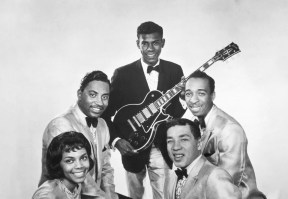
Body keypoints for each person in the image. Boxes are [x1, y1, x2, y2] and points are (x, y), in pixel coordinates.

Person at [103, 21, 186, 199]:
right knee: (134, 196)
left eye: (155, 43)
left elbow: (175, 113)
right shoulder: (122, 74)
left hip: (161, 145)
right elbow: (105, 114)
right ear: (137, 44)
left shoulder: (174, 70)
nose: (150, 48)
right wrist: (116, 140)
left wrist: (184, 101)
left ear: (162, 43)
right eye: (144, 43)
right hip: (132, 145)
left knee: (165, 195)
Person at [183, 71, 266, 199]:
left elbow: (225, 186)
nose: (193, 100)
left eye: (201, 93)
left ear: (212, 95)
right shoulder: (195, 124)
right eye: (189, 94)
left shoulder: (230, 130)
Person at [39, 71, 118, 199]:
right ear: (79, 94)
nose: (100, 102)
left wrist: (111, 195)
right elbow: (76, 171)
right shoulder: (61, 124)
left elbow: (106, 168)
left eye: (105, 97)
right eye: (93, 95)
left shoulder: (102, 124)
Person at [164, 118, 241, 199]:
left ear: (199, 144)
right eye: (170, 141)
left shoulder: (215, 177)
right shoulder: (171, 179)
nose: (175, 147)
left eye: (184, 139)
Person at [33, 131, 94, 199]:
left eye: (83, 158)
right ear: (58, 164)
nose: (79, 166)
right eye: (69, 161)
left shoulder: (75, 187)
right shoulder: (47, 194)